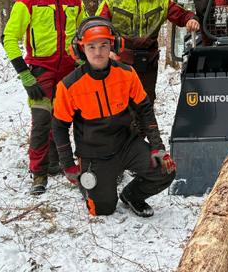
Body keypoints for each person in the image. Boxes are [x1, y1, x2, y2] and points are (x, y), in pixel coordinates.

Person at [52, 16, 176, 217]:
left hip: (127, 144)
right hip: (94, 153)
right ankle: (92, 184)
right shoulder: (69, 86)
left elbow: (145, 109)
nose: (98, 52)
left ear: (113, 45)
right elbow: (59, 126)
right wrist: (68, 164)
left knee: (165, 169)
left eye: (103, 45)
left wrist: (157, 146)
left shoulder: (127, 74)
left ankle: (132, 195)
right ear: (80, 49)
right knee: (103, 209)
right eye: (91, 46)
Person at [3, 0, 87, 195]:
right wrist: (25, 74)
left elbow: (85, 34)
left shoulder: (75, 1)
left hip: (70, 69)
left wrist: (84, 62)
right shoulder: (28, 0)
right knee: (41, 119)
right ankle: (39, 172)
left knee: (75, 117)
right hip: (41, 69)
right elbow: (9, 38)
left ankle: (71, 162)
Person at [96, 0, 199, 105]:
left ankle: (146, 121)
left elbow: (182, 15)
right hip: (119, 60)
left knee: (145, 102)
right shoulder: (112, 0)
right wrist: (106, 51)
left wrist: (191, 20)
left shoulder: (160, 0)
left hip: (148, 61)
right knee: (118, 102)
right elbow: (98, 26)